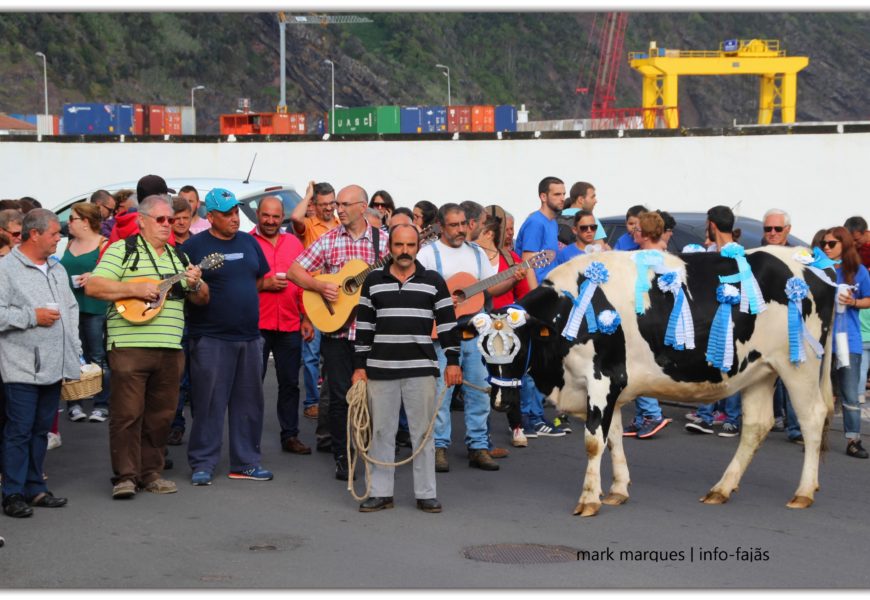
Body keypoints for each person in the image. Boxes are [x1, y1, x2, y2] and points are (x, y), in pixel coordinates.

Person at [87, 194, 208, 499]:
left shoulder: (179, 257)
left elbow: (202, 299)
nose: (169, 225)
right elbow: (94, 286)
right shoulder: (122, 250)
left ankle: (151, 472)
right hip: (128, 345)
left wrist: (195, 283)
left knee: (162, 414)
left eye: (172, 219)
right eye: (161, 219)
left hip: (169, 347)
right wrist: (134, 288)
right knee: (127, 414)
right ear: (141, 221)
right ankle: (125, 476)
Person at [352, 223, 461, 513]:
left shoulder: (434, 281)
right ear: (390, 247)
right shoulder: (373, 281)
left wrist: (452, 361)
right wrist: (359, 367)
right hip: (380, 368)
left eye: (410, 246)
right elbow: (363, 327)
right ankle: (380, 493)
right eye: (399, 245)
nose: (404, 251)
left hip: (421, 368)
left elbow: (449, 324)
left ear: (418, 248)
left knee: (422, 434)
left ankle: (426, 494)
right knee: (380, 434)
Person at [288, 184, 389, 481]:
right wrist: (321, 286)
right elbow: (295, 271)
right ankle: (343, 457)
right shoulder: (329, 240)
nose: (339, 209)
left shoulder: (383, 243)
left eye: (345, 204)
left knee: (375, 395)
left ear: (362, 206)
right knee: (339, 396)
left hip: (373, 333)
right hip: (337, 333)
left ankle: (370, 451)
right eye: (337, 205)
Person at [416, 203, 526, 472]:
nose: (460, 230)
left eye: (464, 224)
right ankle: (439, 446)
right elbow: (416, 288)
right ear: (441, 226)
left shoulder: (477, 253)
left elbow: (491, 286)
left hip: (475, 330)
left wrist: (513, 279)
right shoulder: (428, 254)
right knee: (442, 392)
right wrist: (442, 299)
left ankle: (478, 446)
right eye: (454, 225)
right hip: (440, 332)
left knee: (479, 389)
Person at [182, 188, 274, 485]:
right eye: (227, 213)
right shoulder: (194, 246)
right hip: (210, 337)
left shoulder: (249, 242)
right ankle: (203, 463)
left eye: (236, 211)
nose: (235, 218)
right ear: (210, 217)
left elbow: (259, 278)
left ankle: (246, 463)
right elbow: (188, 288)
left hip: (249, 337)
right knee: (209, 402)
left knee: (249, 403)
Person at [0, 209, 77, 518]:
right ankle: (12, 493)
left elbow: (70, 309)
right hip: (20, 366)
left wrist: (76, 352)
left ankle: (35, 488)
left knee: (40, 431)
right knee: (18, 430)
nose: (59, 238)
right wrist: (33, 316)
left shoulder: (56, 269)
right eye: (54, 233)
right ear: (35, 235)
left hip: (53, 365)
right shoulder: (6, 269)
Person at [252, 196, 313, 456]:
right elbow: (238, 284)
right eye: (266, 215)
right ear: (258, 215)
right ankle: (248, 439)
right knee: (252, 384)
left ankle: (290, 435)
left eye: (276, 216)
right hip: (256, 324)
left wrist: (307, 317)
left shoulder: (293, 243)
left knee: (290, 383)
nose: (271, 221)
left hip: (289, 323)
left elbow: (303, 283)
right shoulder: (247, 242)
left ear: (282, 217)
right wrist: (263, 285)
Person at [685, 206, 743, 437]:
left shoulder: (737, 253)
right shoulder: (709, 252)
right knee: (709, 364)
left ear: (712, 224)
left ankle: (731, 418)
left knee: (730, 366)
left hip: (730, 317)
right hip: (708, 317)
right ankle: (706, 416)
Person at [290, 181, 338, 446]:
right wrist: (307, 195)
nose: (329, 209)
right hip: (314, 295)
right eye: (324, 204)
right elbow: (295, 217)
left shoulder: (340, 225)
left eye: (332, 203)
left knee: (331, 356)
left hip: (338, 299)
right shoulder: (308, 225)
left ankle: (328, 402)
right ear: (314, 205)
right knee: (311, 352)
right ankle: (311, 402)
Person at [478, 205, 529, 448]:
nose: (509, 234)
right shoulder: (473, 255)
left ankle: (517, 425)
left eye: (510, 230)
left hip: (505, 326)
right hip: (480, 322)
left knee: (509, 377)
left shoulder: (511, 258)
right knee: (481, 380)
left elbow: (524, 293)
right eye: (505, 229)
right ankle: (482, 435)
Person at [620, 212, 672, 439]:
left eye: (638, 229)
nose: (634, 232)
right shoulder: (651, 255)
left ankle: (651, 413)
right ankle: (643, 415)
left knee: (639, 365)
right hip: (641, 316)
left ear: (646, 233)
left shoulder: (651, 258)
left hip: (646, 318)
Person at [59, 202, 111, 423]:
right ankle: (74, 402)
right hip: (70, 307)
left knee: (97, 355)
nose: (68, 223)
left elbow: (112, 275)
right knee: (73, 354)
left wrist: (93, 275)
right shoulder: (70, 243)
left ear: (86, 222)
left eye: (72, 219)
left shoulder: (103, 244)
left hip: (94, 307)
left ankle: (101, 403)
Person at [822, 226, 870, 458]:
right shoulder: (820, 268)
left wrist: (853, 302)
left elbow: (868, 299)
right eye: (824, 243)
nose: (826, 247)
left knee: (850, 394)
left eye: (832, 244)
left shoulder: (858, 271)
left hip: (847, 339)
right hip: (821, 339)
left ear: (845, 245)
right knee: (821, 391)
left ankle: (853, 440)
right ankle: (817, 435)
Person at [761, 208, 803, 443]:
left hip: (790, 325)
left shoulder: (798, 257)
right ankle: (765, 420)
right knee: (760, 378)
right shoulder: (755, 255)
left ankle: (796, 427)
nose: (773, 233)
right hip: (762, 327)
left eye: (778, 228)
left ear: (788, 230)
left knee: (791, 378)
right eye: (768, 228)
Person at [515, 176, 566, 289]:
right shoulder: (535, 223)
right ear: (543, 196)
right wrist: (534, 298)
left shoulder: (552, 222)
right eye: (557, 194)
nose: (562, 198)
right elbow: (527, 264)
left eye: (563, 194)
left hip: (550, 289)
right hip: (538, 292)